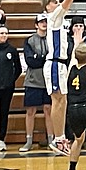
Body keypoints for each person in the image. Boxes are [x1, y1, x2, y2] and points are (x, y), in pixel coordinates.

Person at [42, 0, 86, 155]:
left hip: (60, 64)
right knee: (58, 100)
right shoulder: (53, 17)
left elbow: (67, 1)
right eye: (55, 1)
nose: (58, 3)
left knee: (62, 100)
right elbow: (68, 1)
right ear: (48, 7)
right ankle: (58, 138)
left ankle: (59, 138)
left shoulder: (59, 20)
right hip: (55, 63)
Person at [19, 13, 54, 153]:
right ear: (36, 25)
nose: (44, 24)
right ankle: (28, 140)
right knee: (31, 111)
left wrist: (40, 58)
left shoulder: (52, 39)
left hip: (48, 81)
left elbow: (53, 58)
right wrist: (43, 58)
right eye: (41, 22)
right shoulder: (29, 40)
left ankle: (52, 140)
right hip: (33, 81)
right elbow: (30, 61)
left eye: (46, 21)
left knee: (48, 110)